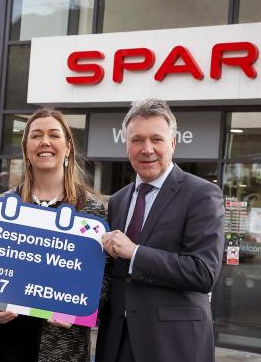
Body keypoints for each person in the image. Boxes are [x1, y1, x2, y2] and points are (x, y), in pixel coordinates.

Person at [95, 98, 225, 362]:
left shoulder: (202, 194)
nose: (147, 149)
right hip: (117, 342)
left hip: (173, 345)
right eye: (137, 140)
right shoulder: (117, 200)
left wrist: (136, 253)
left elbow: (203, 273)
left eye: (157, 139)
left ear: (173, 144)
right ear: (126, 145)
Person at [0, 108, 106, 362]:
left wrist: (76, 310)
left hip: (61, 345)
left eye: (53, 135)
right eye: (36, 135)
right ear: (26, 148)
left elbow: (103, 278)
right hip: (4, 342)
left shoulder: (89, 209)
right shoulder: (1, 206)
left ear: (67, 147)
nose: (45, 142)